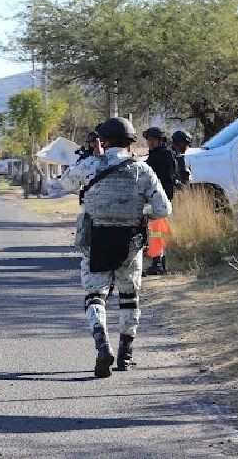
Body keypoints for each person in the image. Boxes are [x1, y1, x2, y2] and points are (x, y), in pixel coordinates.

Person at [59, 117, 171, 378]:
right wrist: (139, 212)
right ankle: (125, 355)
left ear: (103, 140)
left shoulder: (90, 165)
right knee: (129, 297)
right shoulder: (142, 170)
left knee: (95, 295)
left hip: (95, 239)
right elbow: (163, 209)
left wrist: (91, 158)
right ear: (131, 142)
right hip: (130, 242)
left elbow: (65, 183)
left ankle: (102, 344)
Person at [141, 127, 177, 276]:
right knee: (157, 232)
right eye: (148, 140)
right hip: (159, 199)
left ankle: (158, 264)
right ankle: (159, 262)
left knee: (157, 232)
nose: (150, 143)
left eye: (152, 140)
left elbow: (164, 179)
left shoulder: (162, 156)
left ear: (159, 140)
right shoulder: (160, 154)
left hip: (159, 200)